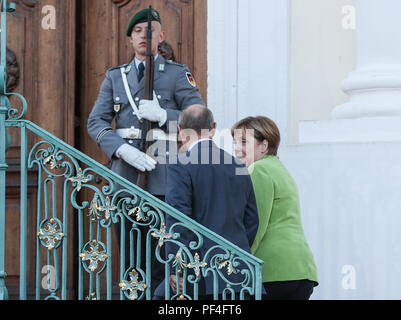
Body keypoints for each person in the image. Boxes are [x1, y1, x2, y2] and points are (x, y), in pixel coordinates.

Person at [87, 8, 205, 297]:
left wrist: (164, 115)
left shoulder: (177, 74)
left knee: (160, 259)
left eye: (149, 31)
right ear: (130, 38)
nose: (143, 36)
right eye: (138, 31)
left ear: (161, 36)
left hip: (163, 177)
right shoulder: (116, 77)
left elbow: (199, 118)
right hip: (125, 176)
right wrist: (121, 149)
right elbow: (96, 121)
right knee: (130, 258)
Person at [153, 105, 259, 300]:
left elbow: (178, 218)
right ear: (213, 128)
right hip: (237, 271)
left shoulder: (180, 164)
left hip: (200, 273)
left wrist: (177, 268)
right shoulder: (238, 164)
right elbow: (252, 219)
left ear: (181, 131)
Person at [231, 116, 318, 300]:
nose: (237, 148)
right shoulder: (280, 169)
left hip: (275, 272)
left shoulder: (259, 169)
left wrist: (237, 265)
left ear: (264, 146)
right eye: (235, 142)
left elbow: (255, 226)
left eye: (244, 142)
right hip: (301, 270)